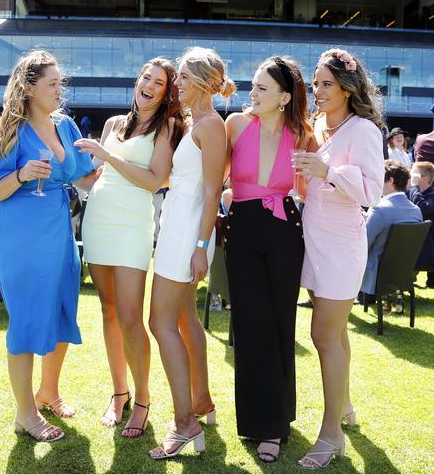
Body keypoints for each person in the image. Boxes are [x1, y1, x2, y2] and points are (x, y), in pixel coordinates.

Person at [0, 50, 96, 443]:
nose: (60, 90)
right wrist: (22, 174)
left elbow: (87, 178)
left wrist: (123, 161)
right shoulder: (4, 132)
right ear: (28, 88)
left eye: (61, 82)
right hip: (22, 235)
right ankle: (25, 413)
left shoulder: (67, 127)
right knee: (27, 319)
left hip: (59, 231)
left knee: (62, 308)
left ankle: (49, 391)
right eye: (52, 84)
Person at [74, 57, 186, 437]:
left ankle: (142, 398)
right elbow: (96, 179)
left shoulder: (168, 127)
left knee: (129, 317)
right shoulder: (113, 124)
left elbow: (155, 180)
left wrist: (107, 156)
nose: (149, 85)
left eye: (159, 82)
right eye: (146, 78)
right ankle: (118, 392)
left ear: (166, 92)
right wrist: (70, 175)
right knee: (107, 311)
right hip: (99, 221)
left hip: (132, 226)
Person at [292, 48, 385, 469]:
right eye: (315, 83)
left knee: (324, 336)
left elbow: (371, 192)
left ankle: (331, 434)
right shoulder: (315, 125)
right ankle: (345, 406)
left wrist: (327, 172)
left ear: (347, 88)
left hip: (343, 244)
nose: (318, 90)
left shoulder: (363, 129)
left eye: (326, 83)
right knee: (337, 332)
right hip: (313, 238)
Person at [224, 56, 312, 463]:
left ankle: (276, 425)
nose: (251, 93)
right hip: (241, 228)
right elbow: (215, 178)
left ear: (283, 97)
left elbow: (312, 191)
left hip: (284, 230)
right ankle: (257, 420)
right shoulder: (236, 125)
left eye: (261, 88)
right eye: (252, 85)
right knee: (249, 323)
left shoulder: (303, 135)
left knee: (280, 324)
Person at [148, 46, 234, 460]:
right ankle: (202, 404)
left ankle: (185, 425)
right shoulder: (194, 122)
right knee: (182, 320)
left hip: (187, 231)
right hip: (178, 225)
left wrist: (201, 247)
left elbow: (213, 191)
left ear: (201, 82)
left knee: (159, 322)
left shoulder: (211, 126)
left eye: (181, 77)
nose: (175, 84)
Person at [359, 160, 423, 300]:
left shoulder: (380, 209)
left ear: (391, 180)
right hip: (403, 270)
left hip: (376, 272)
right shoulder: (416, 210)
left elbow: (363, 244)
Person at [409, 161, 434, 288]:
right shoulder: (410, 193)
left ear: (422, 178)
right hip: (412, 241)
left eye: (412, 173)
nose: (409, 176)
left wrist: (414, 187)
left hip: (426, 246)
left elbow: (422, 210)